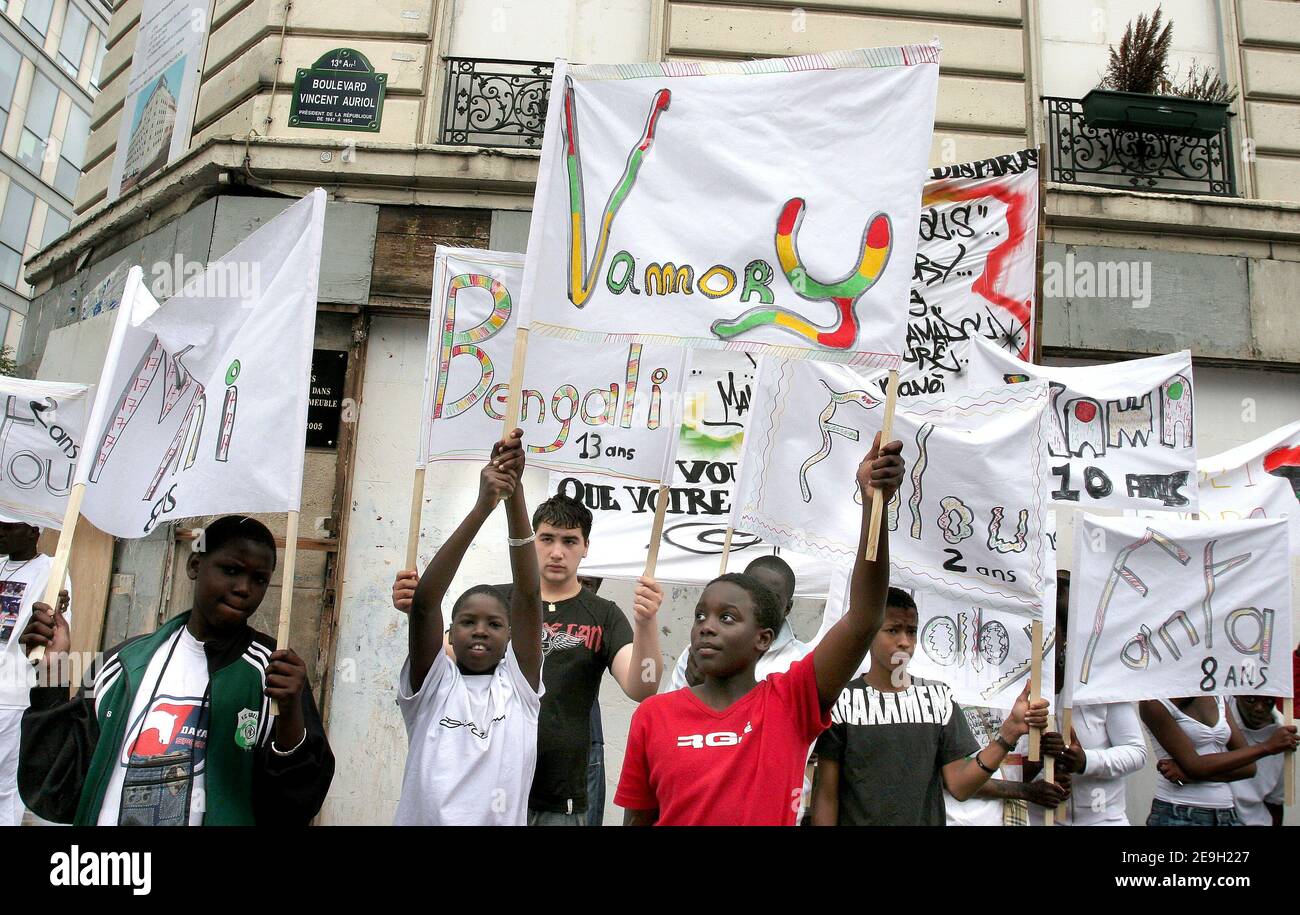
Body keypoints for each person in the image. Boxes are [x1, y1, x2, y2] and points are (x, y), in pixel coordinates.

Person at [614, 434, 904, 826]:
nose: (707, 628)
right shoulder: (653, 716)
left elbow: (865, 617)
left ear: (764, 639)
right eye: (700, 616)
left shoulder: (791, 702)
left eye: (727, 618)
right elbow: (638, 820)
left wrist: (874, 506)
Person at [18, 515, 333, 825]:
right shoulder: (122, 663)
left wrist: (291, 715)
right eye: (231, 570)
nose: (243, 588)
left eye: (259, 579)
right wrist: (52, 672)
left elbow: (295, 807)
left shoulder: (275, 674)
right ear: (195, 565)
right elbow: (54, 790)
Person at [393, 493, 664, 825]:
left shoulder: (603, 614)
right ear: (533, 540)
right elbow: (443, 653)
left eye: (569, 541)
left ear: (586, 547)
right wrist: (417, 611)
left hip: (559, 793)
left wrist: (647, 622)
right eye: (547, 539)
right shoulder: (491, 604)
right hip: (487, 788)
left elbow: (643, 686)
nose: (557, 552)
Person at [393, 431, 543, 826]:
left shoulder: (519, 689)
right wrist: (483, 506)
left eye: (494, 624)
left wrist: (516, 495)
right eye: (467, 622)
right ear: (450, 633)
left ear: (510, 635)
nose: (480, 631)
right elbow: (425, 602)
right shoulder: (433, 688)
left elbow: (528, 595)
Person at [809, 586, 1048, 826]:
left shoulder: (938, 698)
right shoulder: (843, 702)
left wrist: (1009, 732)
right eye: (893, 630)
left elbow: (960, 786)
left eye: (911, 632)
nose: (904, 642)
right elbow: (827, 795)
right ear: (869, 633)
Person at [1026, 571, 1147, 826]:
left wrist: (1085, 761)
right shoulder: (1019, 694)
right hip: (1040, 819)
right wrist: (1040, 768)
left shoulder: (1101, 682)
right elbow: (1002, 767)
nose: (1052, 649)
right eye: (1044, 639)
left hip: (1104, 819)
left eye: (1057, 639)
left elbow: (1136, 752)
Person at [0, 519, 70, 826]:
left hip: (14, 693)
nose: (0, 532)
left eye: (8, 527)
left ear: (34, 531)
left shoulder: (52, 570)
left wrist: (59, 606)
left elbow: (57, 634)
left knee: (6, 786)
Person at [1140, 693, 1298, 826]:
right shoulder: (1153, 702)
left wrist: (1189, 774)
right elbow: (1196, 766)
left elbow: (1249, 768)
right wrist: (1267, 747)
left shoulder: (1218, 696)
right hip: (1180, 812)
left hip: (1225, 814)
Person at [668, 555, 807, 689]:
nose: (757, 603)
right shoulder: (702, 650)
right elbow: (668, 710)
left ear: (788, 608)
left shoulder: (801, 663)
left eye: (770, 598)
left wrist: (709, 690)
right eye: (700, 616)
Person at [1227, 695, 1287, 826]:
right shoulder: (1217, 718)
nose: (1260, 708)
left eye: (1268, 701)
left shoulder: (1282, 738)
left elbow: (1275, 803)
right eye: (1251, 700)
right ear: (1236, 694)